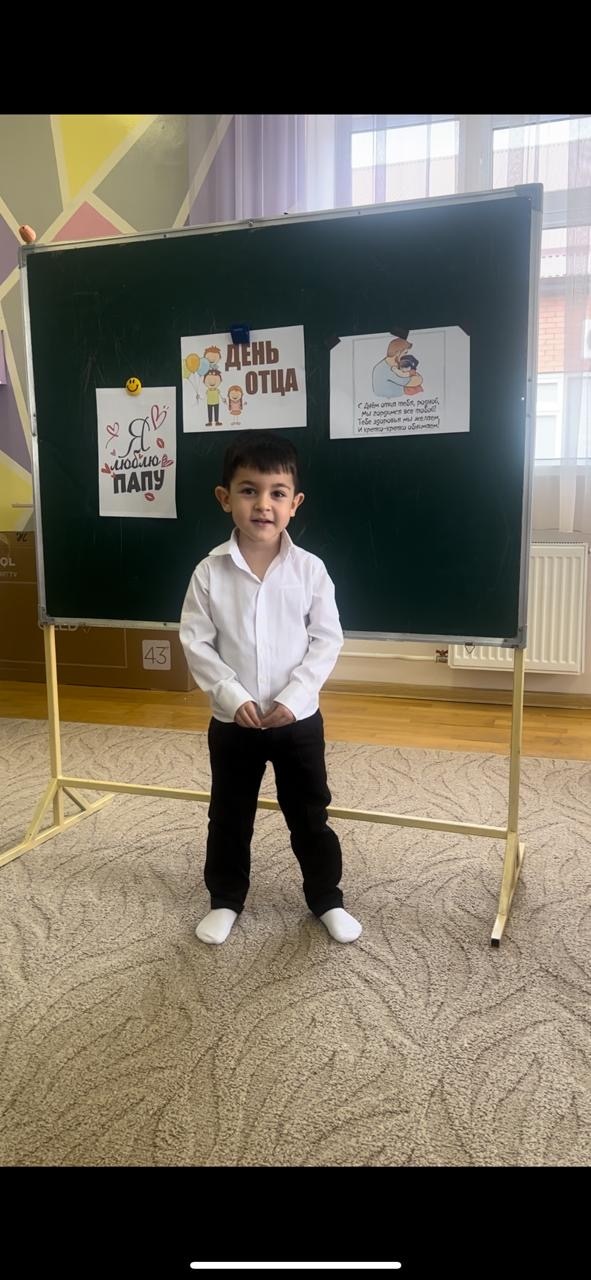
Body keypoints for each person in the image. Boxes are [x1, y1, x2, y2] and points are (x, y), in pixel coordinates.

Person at [179, 431, 362, 946]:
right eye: (249, 490)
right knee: (228, 816)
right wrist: (232, 695)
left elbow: (327, 640)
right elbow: (195, 641)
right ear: (225, 498)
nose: (264, 504)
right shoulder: (209, 573)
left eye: (277, 493)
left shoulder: (310, 570)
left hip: (296, 723)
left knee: (309, 814)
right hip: (233, 723)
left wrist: (294, 698)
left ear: (295, 503)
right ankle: (225, 899)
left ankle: (326, 898)